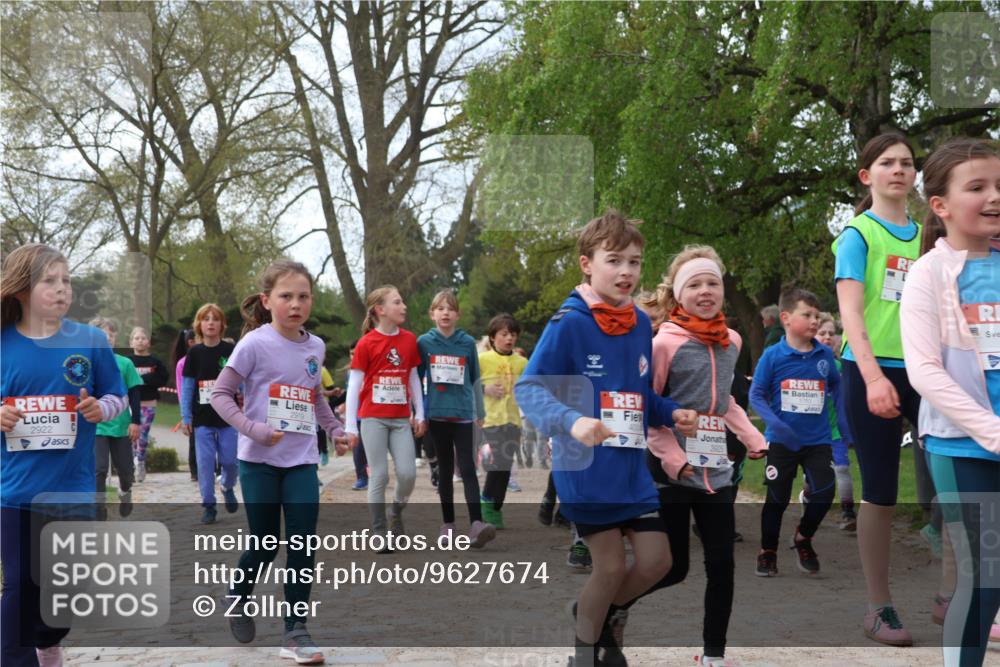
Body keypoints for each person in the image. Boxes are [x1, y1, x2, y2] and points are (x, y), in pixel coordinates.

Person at [515, 210, 698, 667]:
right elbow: (530, 387)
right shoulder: (569, 323)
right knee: (611, 567)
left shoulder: (638, 323)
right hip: (586, 470)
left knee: (660, 562)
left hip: (631, 470)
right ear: (586, 264)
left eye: (634, 262)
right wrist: (572, 421)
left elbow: (638, 397)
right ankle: (586, 650)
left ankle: (596, 615)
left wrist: (673, 413)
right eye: (614, 260)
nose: (626, 272)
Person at [627, 245, 766, 667]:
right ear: (678, 294)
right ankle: (607, 607)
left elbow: (725, 403)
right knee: (672, 568)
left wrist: (753, 437)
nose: (706, 291)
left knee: (723, 563)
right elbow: (649, 411)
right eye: (695, 284)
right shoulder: (664, 343)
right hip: (670, 470)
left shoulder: (733, 342)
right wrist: (674, 459)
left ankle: (713, 656)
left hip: (715, 470)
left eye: (713, 283)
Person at [210, 260, 348, 664]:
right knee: (266, 544)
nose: (295, 304)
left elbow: (315, 397)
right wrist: (252, 428)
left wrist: (336, 430)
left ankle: (295, 631)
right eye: (286, 296)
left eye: (303, 296)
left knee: (304, 543)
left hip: (301, 461)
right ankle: (238, 595)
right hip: (258, 461)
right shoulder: (253, 343)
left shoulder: (315, 346)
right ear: (267, 300)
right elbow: (221, 395)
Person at [900, 138, 1000, 667]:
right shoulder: (928, 275)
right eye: (978, 187)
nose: (994, 197)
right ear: (940, 205)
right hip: (963, 448)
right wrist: (992, 431)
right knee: (985, 578)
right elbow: (925, 373)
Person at [1, 243, 126, 667]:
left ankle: (48, 642)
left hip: (71, 489)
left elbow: (118, 396)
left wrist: (100, 408)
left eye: (66, 281)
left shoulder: (89, 340)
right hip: (14, 490)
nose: (61, 290)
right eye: (49, 281)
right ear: (20, 291)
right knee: (18, 585)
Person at [833, 132, 923, 645]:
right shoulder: (858, 235)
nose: (898, 170)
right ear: (867, 176)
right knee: (882, 493)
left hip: (927, 371)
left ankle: (954, 595)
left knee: (953, 485)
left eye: (907, 163)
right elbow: (850, 314)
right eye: (887, 163)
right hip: (870, 371)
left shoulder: (931, 233)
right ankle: (878, 606)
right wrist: (872, 378)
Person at [750, 287, 853, 579]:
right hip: (782, 441)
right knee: (777, 499)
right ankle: (767, 552)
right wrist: (777, 425)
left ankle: (803, 538)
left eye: (816, 316)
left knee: (824, 492)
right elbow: (756, 395)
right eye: (806, 315)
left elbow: (836, 385)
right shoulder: (773, 356)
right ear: (785, 318)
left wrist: (842, 426)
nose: (814, 321)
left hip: (818, 440)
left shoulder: (823, 356)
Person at [344, 286, 426, 549]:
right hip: (372, 419)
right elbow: (354, 384)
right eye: (397, 302)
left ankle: (396, 512)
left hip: (401, 419)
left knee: (408, 474)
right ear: (381, 310)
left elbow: (413, 378)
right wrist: (350, 427)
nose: (404, 307)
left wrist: (420, 413)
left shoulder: (409, 340)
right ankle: (379, 532)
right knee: (379, 476)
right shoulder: (366, 343)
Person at [418, 289, 496, 546]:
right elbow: (415, 379)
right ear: (432, 314)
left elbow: (475, 378)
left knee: (469, 469)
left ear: (457, 314)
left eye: (450, 309)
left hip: (463, 415)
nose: (446, 313)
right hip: (437, 416)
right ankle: (448, 523)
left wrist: (480, 412)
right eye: (440, 308)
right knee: (444, 470)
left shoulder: (466, 343)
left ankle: (476, 524)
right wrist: (417, 412)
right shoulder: (424, 343)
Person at [181, 303, 239, 524]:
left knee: (231, 460)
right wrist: (186, 416)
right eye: (206, 319)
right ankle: (209, 504)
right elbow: (187, 387)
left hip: (228, 417)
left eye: (215, 319)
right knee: (205, 463)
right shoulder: (194, 353)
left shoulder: (230, 351)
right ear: (199, 324)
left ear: (222, 324)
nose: (211, 323)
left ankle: (227, 485)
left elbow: (239, 380)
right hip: (202, 418)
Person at [478, 313, 528, 530]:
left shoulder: (522, 362)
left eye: (513, 335)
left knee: (506, 468)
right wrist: (484, 389)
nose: (509, 338)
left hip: (513, 421)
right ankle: (486, 504)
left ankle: (495, 507)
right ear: (492, 337)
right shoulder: (482, 360)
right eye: (504, 334)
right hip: (490, 421)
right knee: (497, 462)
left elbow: (530, 389)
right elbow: (466, 386)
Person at [92, 317, 143, 519]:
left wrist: (135, 421)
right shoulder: (86, 363)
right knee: (99, 469)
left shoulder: (125, 363)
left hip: (121, 426)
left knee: (125, 470)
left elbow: (135, 394)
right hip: (96, 427)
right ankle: (98, 508)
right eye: (104, 336)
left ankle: (125, 491)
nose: (108, 340)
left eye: (111, 336)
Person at [815, 312, 856, 530]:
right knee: (814, 473)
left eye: (831, 333)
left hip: (836, 429)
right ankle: (809, 500)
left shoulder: (841, 368)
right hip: (813, 431)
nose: (828, 337)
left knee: (842, 469)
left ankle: (848, 512)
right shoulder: (805, 364)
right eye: (822, 333)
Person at [128, 326, 167, 481]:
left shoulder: (155, 362)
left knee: (143, 436)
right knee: (131, 436)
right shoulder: (128, 362)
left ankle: (141, 460)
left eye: (143, 338)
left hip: (148, 403)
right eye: (136, 338)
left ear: (148, 342)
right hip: (130, 404)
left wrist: (144, 380)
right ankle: (131, 463)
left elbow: (162, 378)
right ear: (131, 343)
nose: (140, 341)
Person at [172, 328, 198, 481]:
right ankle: (195, 471)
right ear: (191, 342)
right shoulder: (183, 363)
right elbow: (182, 389)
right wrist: (185, 412)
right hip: (192, 406)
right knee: (194, 440)